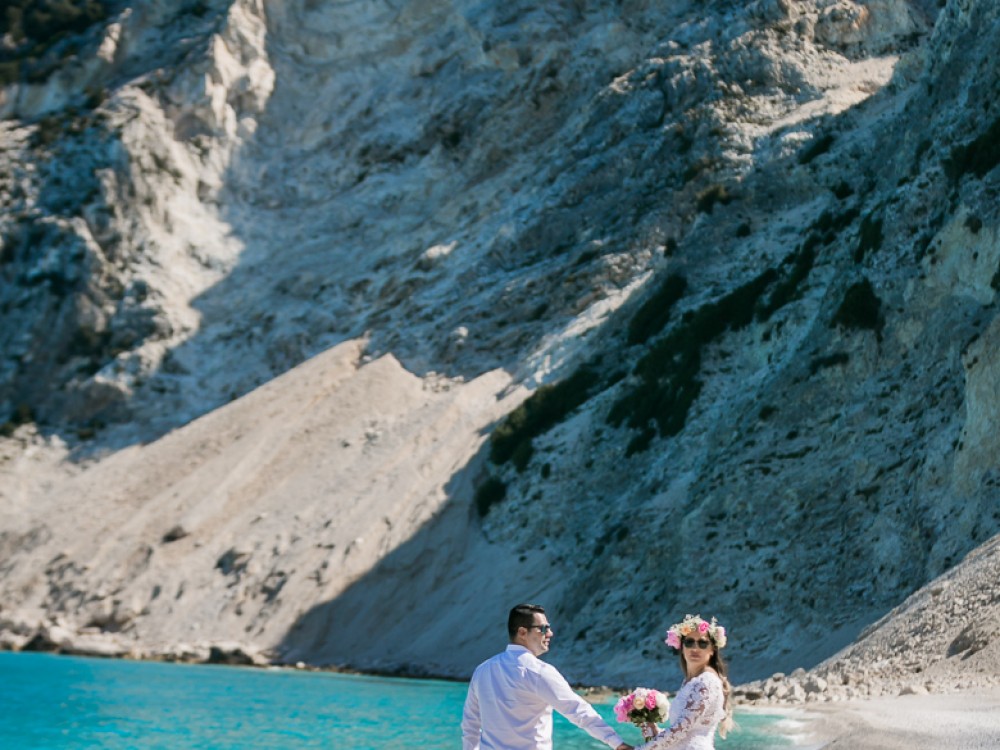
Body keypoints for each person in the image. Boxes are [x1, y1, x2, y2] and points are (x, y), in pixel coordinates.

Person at [462, 603, 633, 750]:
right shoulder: (539, 672)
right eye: (543, 628)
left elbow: (470, 725)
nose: (549, 633)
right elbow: (578, 711)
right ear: (522, 632)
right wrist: (617, 743)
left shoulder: (482, 670)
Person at [634, 614, 734, 750]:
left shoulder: (707, 681)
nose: (695, 648)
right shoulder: (690, 682)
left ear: (712, 650)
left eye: (703, 643)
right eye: (689, 642)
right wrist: (655, 730)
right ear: (682, 647)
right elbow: (684, 733)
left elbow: (681, 730)